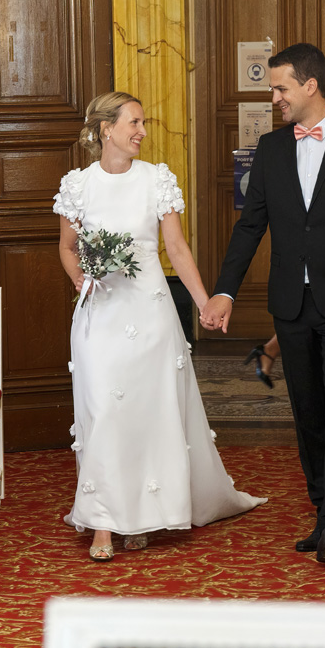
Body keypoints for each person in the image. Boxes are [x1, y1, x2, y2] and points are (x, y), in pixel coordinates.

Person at [201, 43, 325, 564]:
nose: (274, 98)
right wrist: (224, 290)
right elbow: (251, 228)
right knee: (308, 413)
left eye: (280, 87)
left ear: (310, 85)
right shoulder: (270, 150)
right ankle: (323, 510)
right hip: (290, 304)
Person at [55, 91, 265, 561]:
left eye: (143, 123)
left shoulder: (157, 180)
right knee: (104, 412)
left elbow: (177, 248)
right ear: (106, 129)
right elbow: (68, 247)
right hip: (100, 316)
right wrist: (82, 280)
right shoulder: (78, 185)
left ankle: (145, 515)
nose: (142, 132)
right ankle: (106, 522)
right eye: (134, 123)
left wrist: (205, 303)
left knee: (150, 413)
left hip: (150, 315)